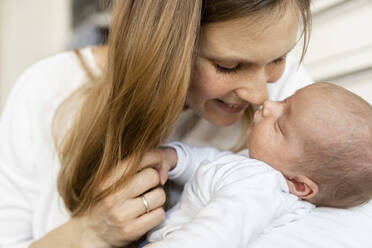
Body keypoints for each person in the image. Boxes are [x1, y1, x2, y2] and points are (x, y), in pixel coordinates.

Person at [1, 0, 371, 247]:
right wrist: (87, 232)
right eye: (228, 66)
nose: (262, 96)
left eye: (280, 57)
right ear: (161, 48)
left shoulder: (290, 94)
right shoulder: (47, 89)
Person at [142, 82, 372, 247]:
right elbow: (215, 163)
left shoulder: (257, 186)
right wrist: (175, 158)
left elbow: (216, 234)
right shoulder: (259, 167)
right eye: (285, 100)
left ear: (299, 185)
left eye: (280, 126)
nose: (270, 105)